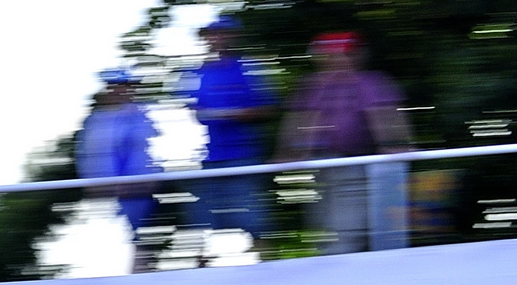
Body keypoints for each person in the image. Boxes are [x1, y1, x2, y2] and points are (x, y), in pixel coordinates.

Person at [279, 31, 414, 253]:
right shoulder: (313, 86)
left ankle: (341, 276)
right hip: (319, 168)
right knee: (323, 231)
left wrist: (395, 143)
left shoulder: (368, 83)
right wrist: (288, 152)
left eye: (344, 54)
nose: (337, 60)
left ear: (356, 56)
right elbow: (300, 119)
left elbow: (385, 116)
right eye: (330, 55)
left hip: (353, 166)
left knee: (346, 233)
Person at [176, 15, 275, 252]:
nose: (218, 38)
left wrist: (236, 114)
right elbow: (189, 112)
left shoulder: (249, 68)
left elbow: (268, 108)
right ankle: (201, 275)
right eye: (213, 33)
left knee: (256, 220)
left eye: (224, 33)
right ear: (206, 38)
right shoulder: (195, 73)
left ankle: (270, 272)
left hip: (244, 156)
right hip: (205, 159)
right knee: (200, 223)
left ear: (234, 36)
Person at [77, 69, 161, 273]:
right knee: (106, 248)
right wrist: (97, 185)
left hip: (137, 190)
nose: (121, 90)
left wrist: (151, 177)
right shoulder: (96, 120)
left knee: (138, 244)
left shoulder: (143, 116)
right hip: (106, 193)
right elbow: (88, 155)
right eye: (116, 86)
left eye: (126, 86)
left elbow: (152, 148)